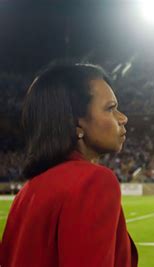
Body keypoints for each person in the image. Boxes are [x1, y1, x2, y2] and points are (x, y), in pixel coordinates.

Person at [0, 63, 138, 266]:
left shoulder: (27, 193)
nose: (123, 118)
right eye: (110, 108)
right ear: (76, 122)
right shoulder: (94, 181)